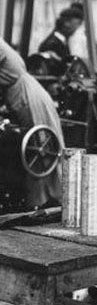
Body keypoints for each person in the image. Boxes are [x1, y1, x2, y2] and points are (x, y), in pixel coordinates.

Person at [0, 38, 64, 208]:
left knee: (40, 146)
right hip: (24, 94)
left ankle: (45, 199)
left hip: (27, 97)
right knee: (37, 147)